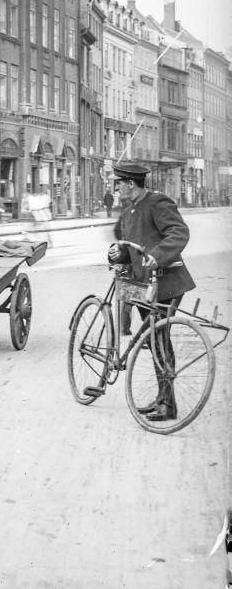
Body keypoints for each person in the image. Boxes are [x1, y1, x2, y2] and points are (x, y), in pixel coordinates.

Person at [109, 160, 196, 422]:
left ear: (130, 184)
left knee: (158, 339)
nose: (116, 190)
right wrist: (118, 253)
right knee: (154, 340)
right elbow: (129, 246)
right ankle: (162, 399)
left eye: (118, 185)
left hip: (166, 284)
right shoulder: (129, 209)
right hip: (142, 285)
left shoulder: (157, 202)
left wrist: (158, 256)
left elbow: (179, 232)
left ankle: (168, 405)